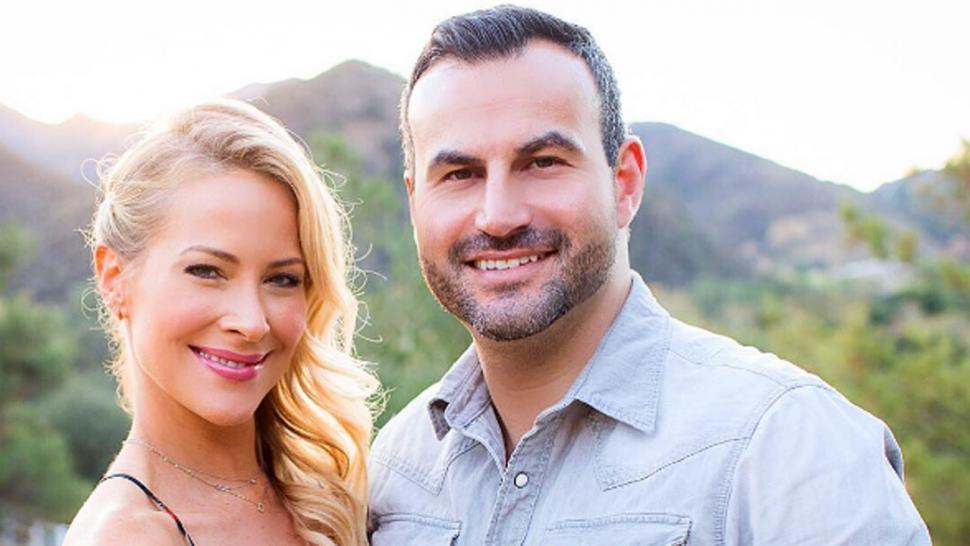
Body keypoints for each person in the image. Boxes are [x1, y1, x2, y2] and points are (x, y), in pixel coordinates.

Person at [368, 5, 930, 544]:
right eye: (459, 173)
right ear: (415, 201)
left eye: (542, 163)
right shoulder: (393, 473)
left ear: (625, 182)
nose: (498, 216)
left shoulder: (789, 450)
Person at [64, 99, 377, 546]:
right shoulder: (125, 535)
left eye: (282, 279)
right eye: (207, 271)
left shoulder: (335, 496)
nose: (251, 322)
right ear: (115, 277)